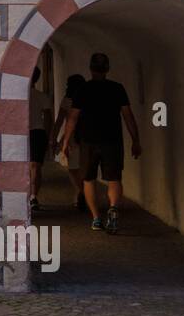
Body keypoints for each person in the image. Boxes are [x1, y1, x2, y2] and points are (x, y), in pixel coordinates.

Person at [60, 53, 141, 234]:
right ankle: (113, 208)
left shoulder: (82, 90)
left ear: (90, 68)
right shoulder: (117, 89)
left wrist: (66, 140)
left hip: (88, 141)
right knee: (114, 178)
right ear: (107, 69)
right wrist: (136, 140)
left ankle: (96, 218)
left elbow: (73, 117)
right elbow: (128, 116)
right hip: (112, 140)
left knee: (88, 179)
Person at [51, 74, 87, 211]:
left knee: (72, 168)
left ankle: (81, 191)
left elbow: (60, 121)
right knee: (84, 166)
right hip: (87, 136)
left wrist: (53, 138)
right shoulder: (87, 98)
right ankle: (83, 192)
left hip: (71, 137)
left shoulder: (67, 100)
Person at [27, 67, 53, 211]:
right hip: (38, 132)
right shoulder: (42, 96)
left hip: (28, 132)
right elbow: (48, 118)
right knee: (35, 166)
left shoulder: (19, 96)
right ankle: (33, 196)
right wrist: (50, 136)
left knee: (30, 166)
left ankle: (31, 196)